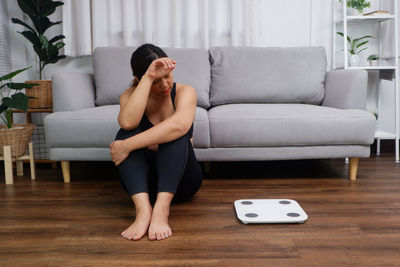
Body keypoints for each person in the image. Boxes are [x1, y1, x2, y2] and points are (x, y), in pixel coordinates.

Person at [110, 44, 203, 241]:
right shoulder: (129, 95)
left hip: (181, 182)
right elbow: (127, 122)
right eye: (155, 81)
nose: (164, 85)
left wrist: (127, 146)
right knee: (125, 132)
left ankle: (161, 211)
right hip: (142, 186)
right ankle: (143, 212)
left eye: (167, 76)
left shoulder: (185, 92)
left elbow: (178, 126)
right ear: (139, 79)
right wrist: (147, 79)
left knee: (174, 132)